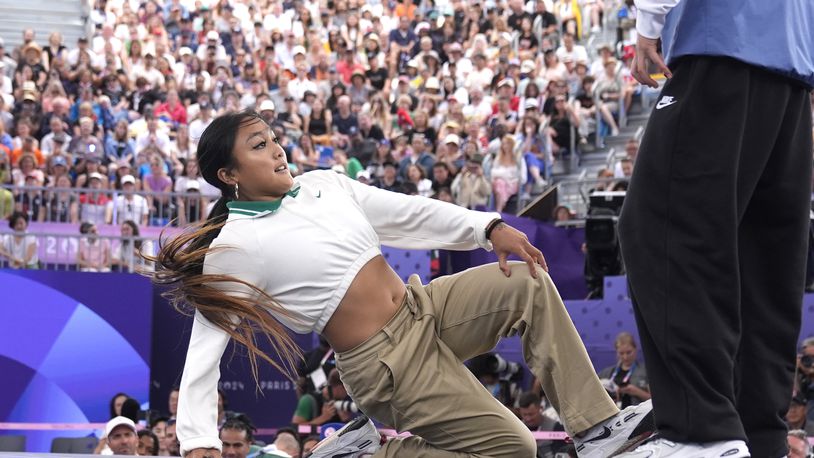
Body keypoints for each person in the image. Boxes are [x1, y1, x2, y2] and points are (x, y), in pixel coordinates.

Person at [152, 111, 655, 458]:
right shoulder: (235, 246)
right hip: (384, 362)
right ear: (229, 174)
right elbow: (205, 350)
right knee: (515, 448)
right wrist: (199, 439)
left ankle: (595, 430)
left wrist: (488, 228)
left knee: (526, 282)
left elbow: (410, 213)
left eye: (274, 138)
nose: (279, 150)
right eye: (259, 146)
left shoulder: (323, 183)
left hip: (425, 308)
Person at [617, 0, 814, 456]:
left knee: (660, 229)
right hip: (790, 70)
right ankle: (758, 436)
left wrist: (649, 22)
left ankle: (699, 431)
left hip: (722, 44)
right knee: (760, 260)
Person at [598, 332, 650, 409]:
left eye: (629, 352)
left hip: (638, 417)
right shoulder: (606, 373)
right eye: (621, 353)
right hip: (614, 416)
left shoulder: (646, 371)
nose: (625, 357)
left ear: (635, 350)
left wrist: (637, 392)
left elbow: (657, 401)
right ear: (616, 352)